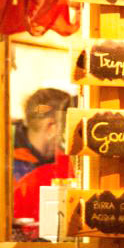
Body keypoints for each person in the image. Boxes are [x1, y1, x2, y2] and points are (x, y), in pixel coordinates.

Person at [11, 88, 75, 234]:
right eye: (68, 126)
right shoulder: (10, 168)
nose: (70, 136)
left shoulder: (8, 159)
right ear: (52, 127)